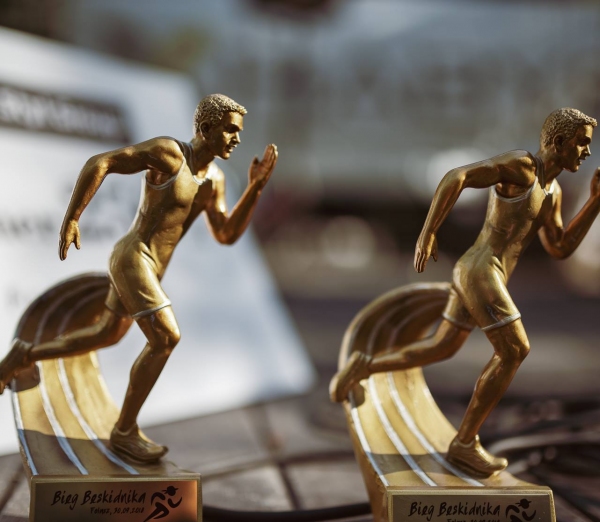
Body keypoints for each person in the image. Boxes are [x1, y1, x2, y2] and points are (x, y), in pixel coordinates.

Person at [0, 93, 278, 463]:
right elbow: (102, 162)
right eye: (229, 130)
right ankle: (124, 431)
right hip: (133, 258)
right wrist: (73, 218)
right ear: (206, 127)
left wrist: (255, 187)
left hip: (152, 269)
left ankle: (24, 354)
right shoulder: (170, 155)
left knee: (106, 334)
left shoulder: (215, 180)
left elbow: (226, 233)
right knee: (166, 338)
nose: (237, 139)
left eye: (238, 132)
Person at [330, 107, 599, 477]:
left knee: (442, 346)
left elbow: (560, 247)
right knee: (515, 350)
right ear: (558, 141)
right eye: (582, 143)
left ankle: (363, 365)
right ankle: (465, 443)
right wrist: (429, 231)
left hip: (488, 276)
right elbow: (458, 176)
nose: (587, 152)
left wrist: (594, 203)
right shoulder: (523, 167)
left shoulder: (552, 192)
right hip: (479, 271)